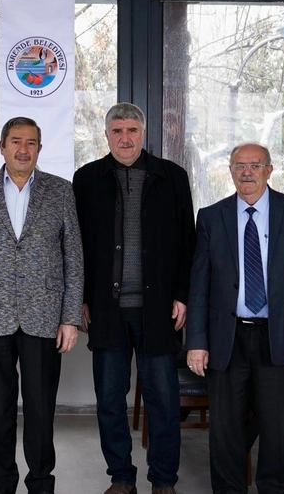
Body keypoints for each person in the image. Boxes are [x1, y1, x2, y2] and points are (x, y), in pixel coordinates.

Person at [72, 102, 195, 494]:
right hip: (106, 310)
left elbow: (187, 242)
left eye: (132, 130)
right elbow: (75, 246)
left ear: (143, 133)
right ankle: (122, 477)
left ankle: (163, 479)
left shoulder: (172, 177)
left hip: (158, 309)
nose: (125, 138)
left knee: (163, 400)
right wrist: (81, 298)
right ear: (107, 135)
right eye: (117, 131)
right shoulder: (87, 178)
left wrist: (182, 295)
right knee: (110, 400)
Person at [0, 117, 84, 494]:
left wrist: (70, 318)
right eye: (15, 141)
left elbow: (73, 257)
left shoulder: (60, 191)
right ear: (2, 147)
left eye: (31, 143)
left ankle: (41, 483)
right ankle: (3, 482)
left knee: (41, 409)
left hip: (44, 315)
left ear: (40, 149)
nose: (23, 149)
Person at [186, 143, 284, 494]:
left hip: (279, 337)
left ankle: (277, 488)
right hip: (226, 338)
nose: (247, 172)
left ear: (269, 170)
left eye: (255, 165)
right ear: (231, 171)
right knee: (225, 428)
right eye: (239, 166)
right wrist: (196, 341)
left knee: (279, 426)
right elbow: (199, 286)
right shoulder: (211, 217)